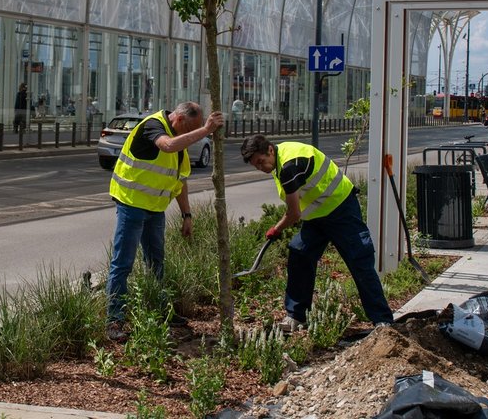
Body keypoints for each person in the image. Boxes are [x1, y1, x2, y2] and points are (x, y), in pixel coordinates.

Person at [240, 134, 395, 333]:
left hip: (341, 210)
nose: (261, 168)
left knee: (359, 260)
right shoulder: (281, 156)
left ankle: (383, 321)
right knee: (299, 254)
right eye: (256, 166)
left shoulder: (289, 166)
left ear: (270, 150)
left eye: (261, 162)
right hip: (317, 217)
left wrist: (276, 229)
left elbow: (294, 213)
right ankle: (296, 316)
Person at [105, 102, 224, 341]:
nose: (189, 135)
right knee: (123, 264)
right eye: (189, 129)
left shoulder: (179, 140)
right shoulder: (153, 126)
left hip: (154, 210)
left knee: (156, 263)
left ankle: (161, 311)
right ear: (178, 120)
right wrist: (205, 131)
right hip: (131, 204)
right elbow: (166, 146)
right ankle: (114, 321)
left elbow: (179, 181)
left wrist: (187, 214)